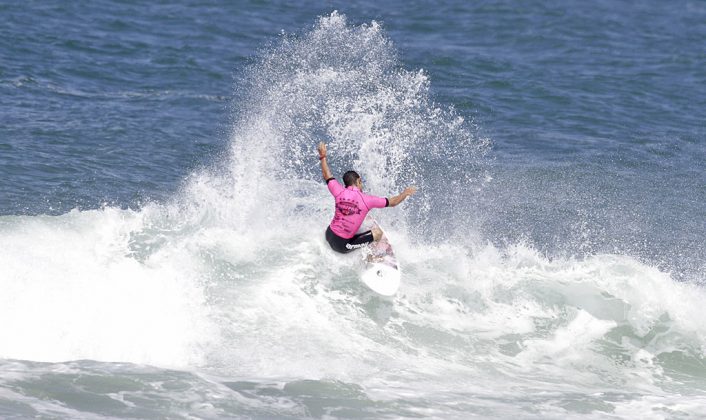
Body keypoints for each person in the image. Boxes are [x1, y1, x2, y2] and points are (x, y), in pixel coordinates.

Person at [317, 142, 417, 253]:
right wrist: (405, 193)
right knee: (377, 233)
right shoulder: (367, 200)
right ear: (358, 180)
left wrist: (323, 156)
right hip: (341, 246)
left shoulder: (338, 191)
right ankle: (372, 257)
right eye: (361, 182)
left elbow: (327, 175)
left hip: (329, 234)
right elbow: (393, 202)